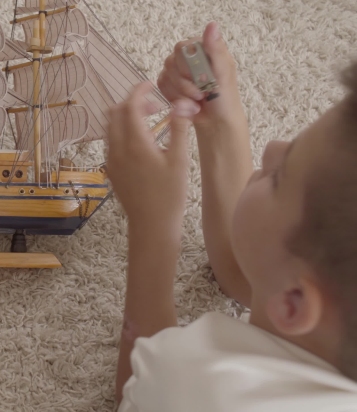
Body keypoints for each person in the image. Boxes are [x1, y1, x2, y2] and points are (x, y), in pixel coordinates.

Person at [107, 22, 357, 410]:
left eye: (280, 175)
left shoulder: (203, 389)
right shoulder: (324, 325)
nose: (272, 147)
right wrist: (222, 121)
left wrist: (152, 227)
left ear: (293, 302)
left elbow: (137, 389)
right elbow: (250, 273)